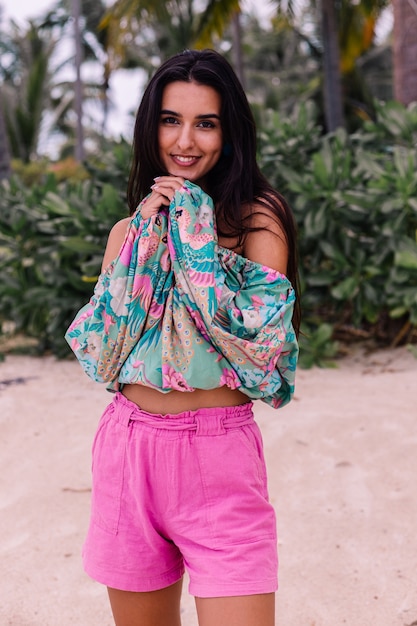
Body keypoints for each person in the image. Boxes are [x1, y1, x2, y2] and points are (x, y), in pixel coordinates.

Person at [65, 48, 300, 626]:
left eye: (206, 123)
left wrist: (194, 233)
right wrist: (148, 231)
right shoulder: (130, 230)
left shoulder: (258, 223)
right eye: (171, 119)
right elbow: (105, 354)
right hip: (129, 452)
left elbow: (259, 356)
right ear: (151, 126)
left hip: (218, 457)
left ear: (230, 131)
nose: (185, 140)